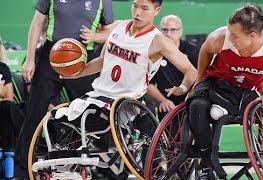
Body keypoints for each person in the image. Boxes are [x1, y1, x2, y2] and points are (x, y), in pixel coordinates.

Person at [54, 0, 196, 178]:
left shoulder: (159, 41)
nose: (138, 12)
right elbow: (101, 61)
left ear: (156, 11)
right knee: (59, 117)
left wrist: (182, 88)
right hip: (98, 96)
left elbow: (191, 70)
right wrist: (76, 74)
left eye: (144, 8)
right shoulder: (118, 27)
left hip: (126, 103)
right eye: (135, 5)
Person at [187, 4, 263, 180]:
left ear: (252, 36)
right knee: (196, 106)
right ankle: (207, 166)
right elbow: (205, 50)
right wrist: (199, 78)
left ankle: (223, 111)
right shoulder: (220, 38)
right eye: (229, 33)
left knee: (225, 110)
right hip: (215, 83)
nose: (230, 38)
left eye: (235, 36)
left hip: (246, 93)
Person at [15, 0, 114, 178]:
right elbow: (37, 22)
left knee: (93, 113)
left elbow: (110, 31)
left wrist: (96, 37)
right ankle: (23, 170)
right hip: (52, 56)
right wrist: (30, 59)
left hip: (83, 59)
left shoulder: (103, 1)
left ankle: (105, 169)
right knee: (34, 114)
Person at [146, 15, 199, 120]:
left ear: (181, 31)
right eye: (164, 30)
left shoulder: (193, 51)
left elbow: (200, 78)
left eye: (173, 30)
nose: (168, 34)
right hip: (167, 101)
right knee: (165, 109)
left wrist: (190, 96)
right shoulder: (153, 52)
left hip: (190, 98)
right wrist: (162, 100)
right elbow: (147, 83)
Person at [0, 37, 24, 179]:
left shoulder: (3, 68)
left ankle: (10, 154)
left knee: (9, 107)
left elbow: (8, 96)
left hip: (3, 109)